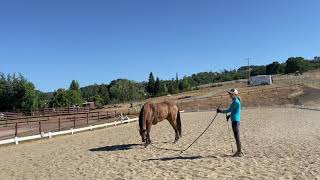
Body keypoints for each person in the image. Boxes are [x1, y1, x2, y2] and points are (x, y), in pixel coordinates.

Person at [217, 88, 244, 157]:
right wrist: (229, 116)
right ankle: (240, 150)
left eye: (231, 94)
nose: (230, 95)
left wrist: (220, 111)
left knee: (236, 136)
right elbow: (234, 111)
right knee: (236, 136)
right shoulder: (236, 101)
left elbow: (229, 110)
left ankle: (239, 152)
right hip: (235, 120)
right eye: (229, 94)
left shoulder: (235, 102)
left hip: (235, 121)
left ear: (234, 94)